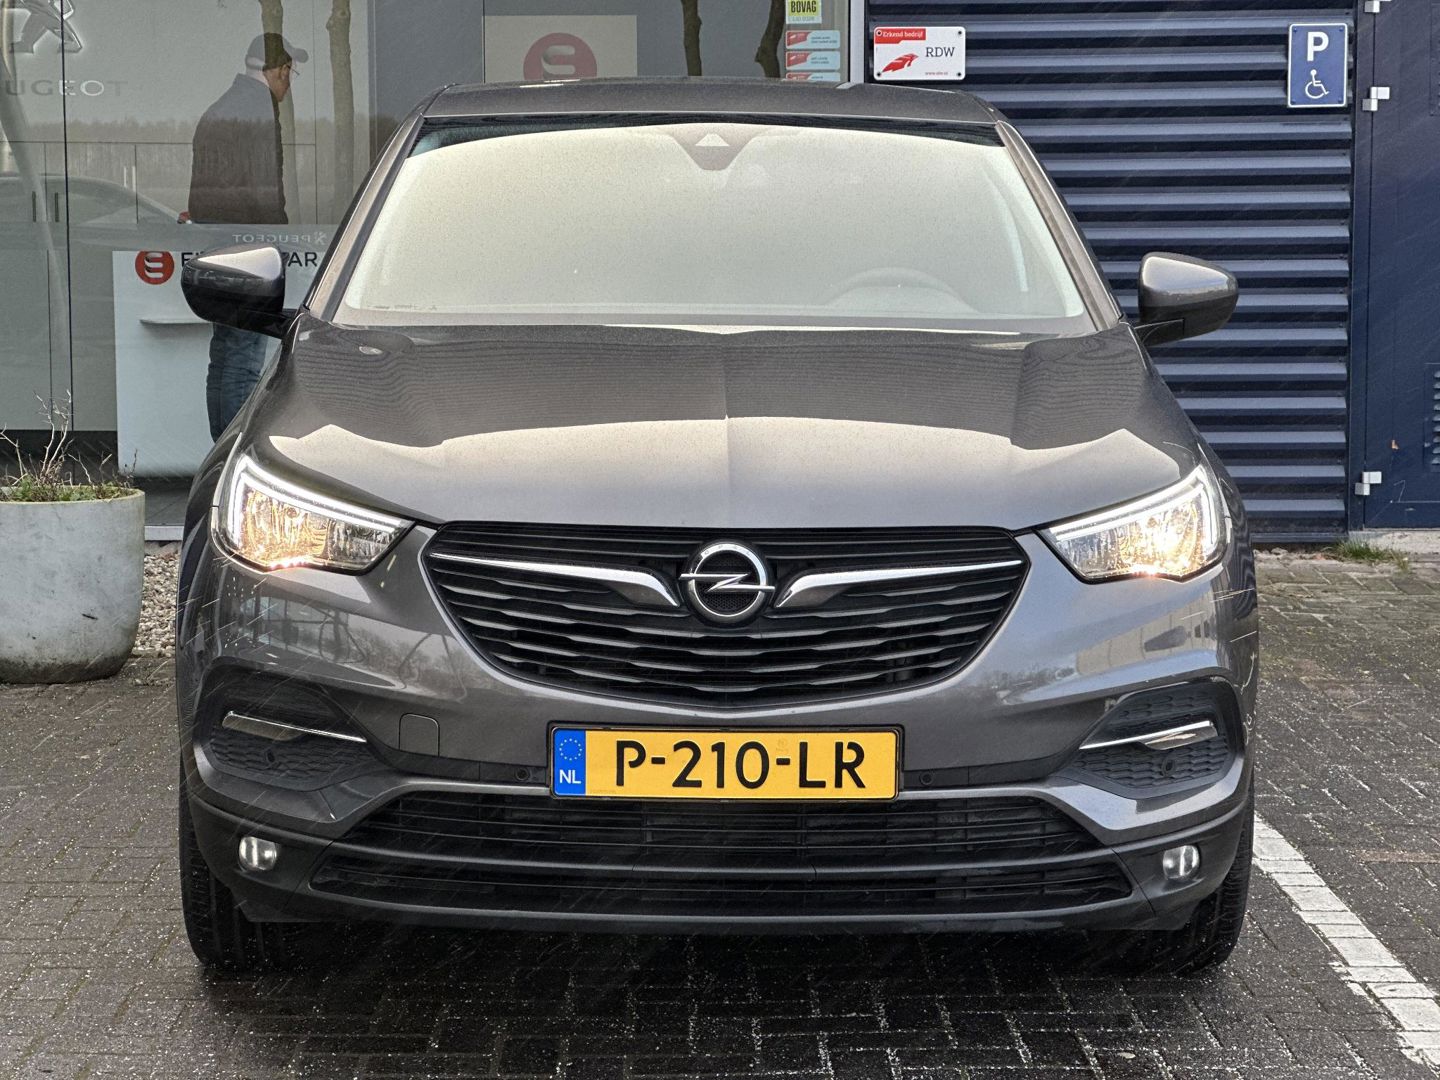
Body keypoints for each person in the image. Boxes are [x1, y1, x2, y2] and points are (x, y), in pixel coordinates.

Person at [188, 32, 307, 439]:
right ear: (278, 70)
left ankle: (219, 444)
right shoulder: (258, 109)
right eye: (289, 72)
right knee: (245, 357)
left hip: (217, 244)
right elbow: (264, 189)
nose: (289, 83)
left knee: (224, 354)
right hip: (249, 249)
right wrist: (277, 244)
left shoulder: (221, 106)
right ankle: (235, 450)